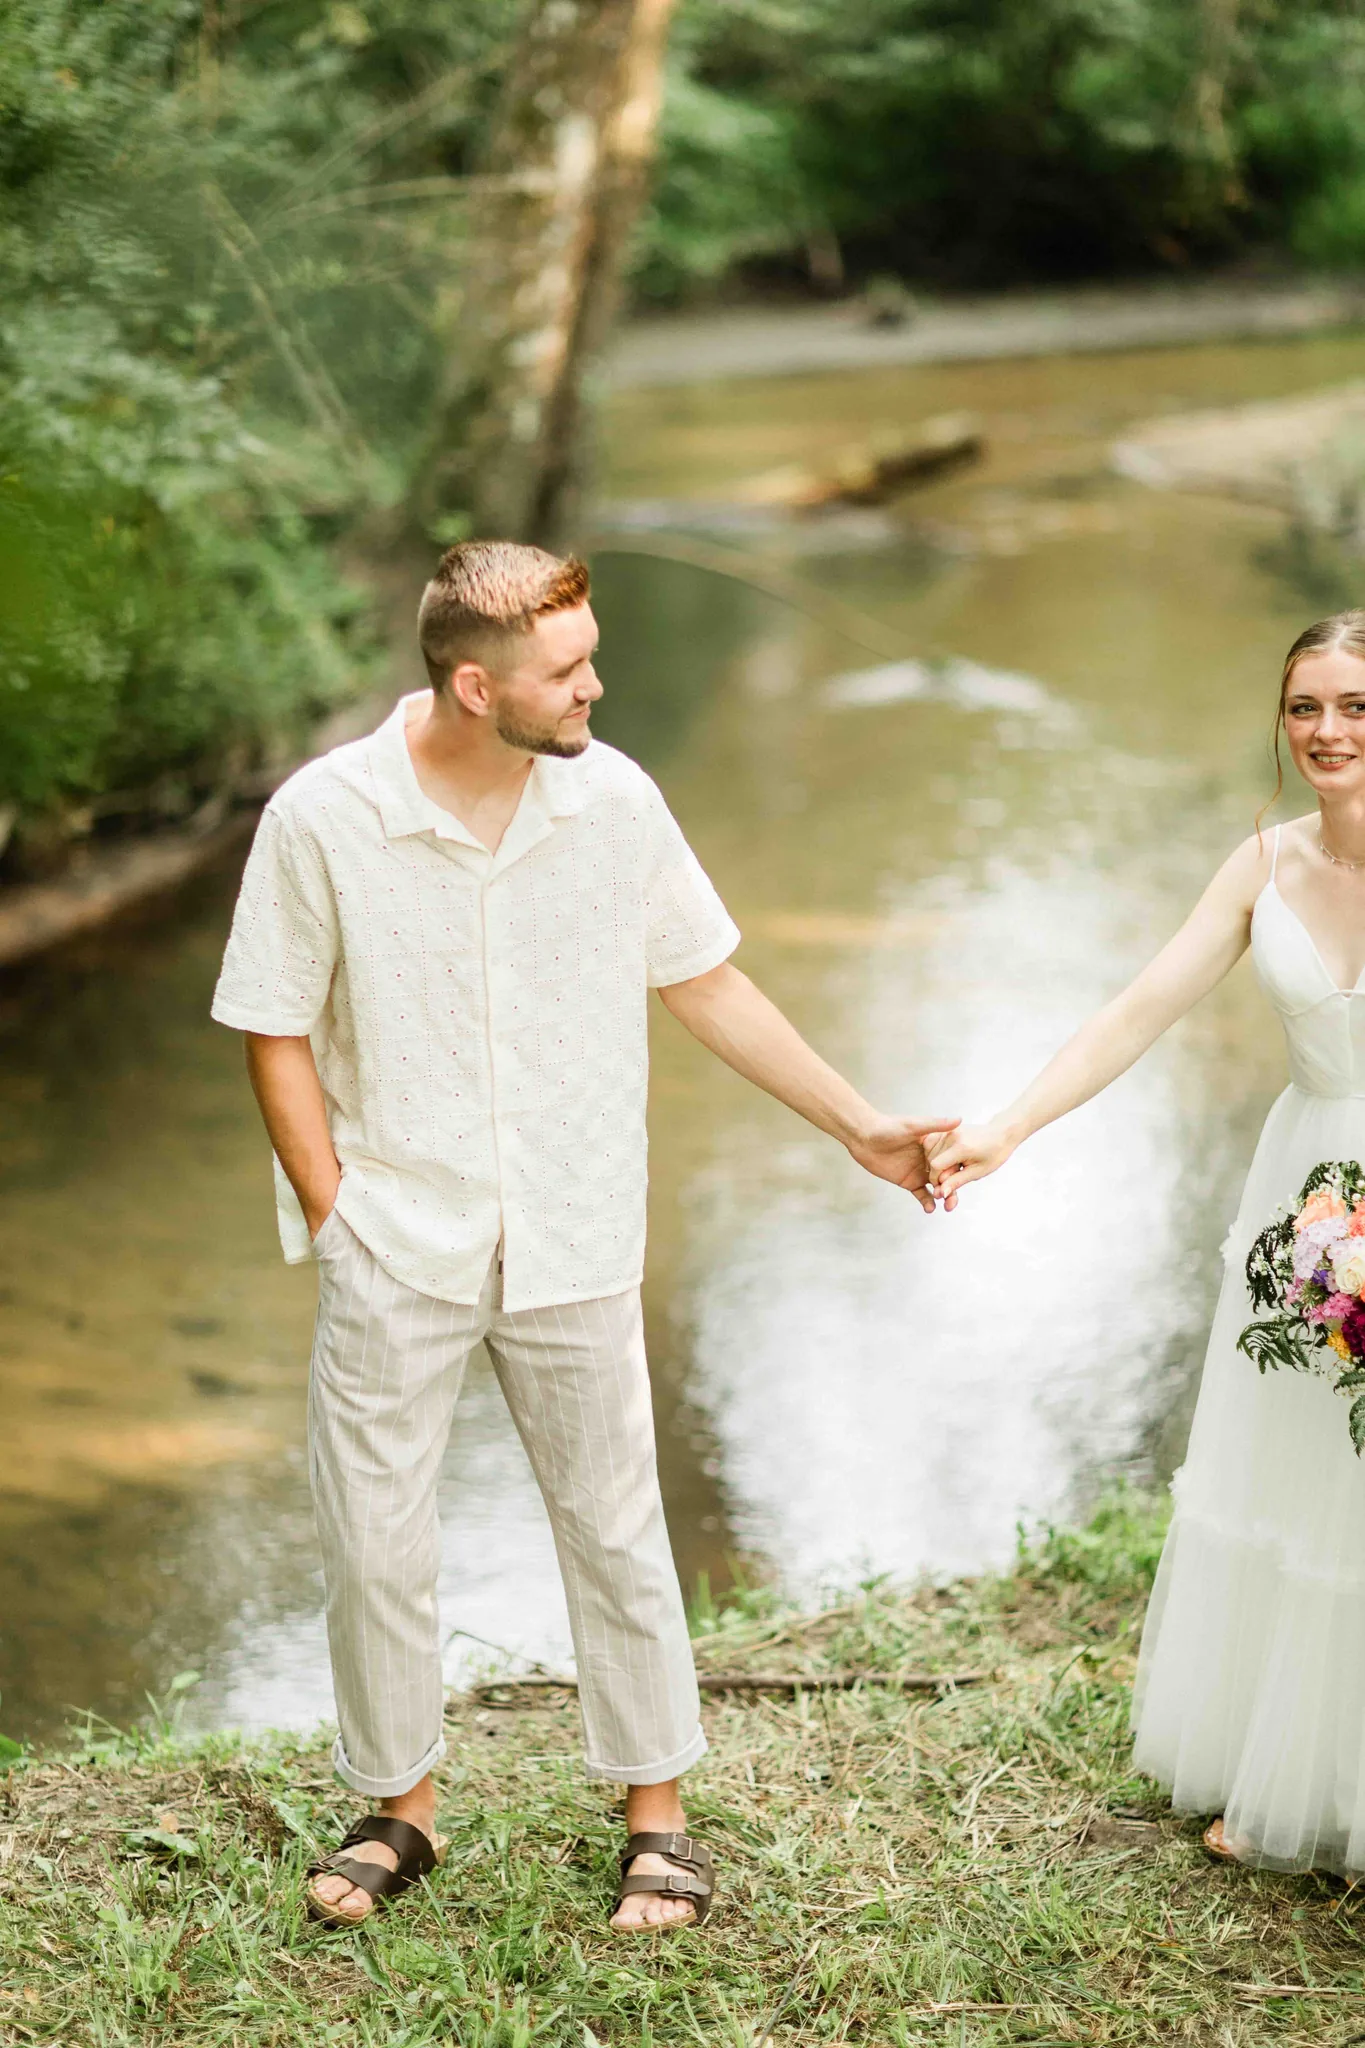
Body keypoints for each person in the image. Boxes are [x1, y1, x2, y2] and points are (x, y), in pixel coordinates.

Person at [211, 540, 955, 1931]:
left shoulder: (613, 803)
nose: (598, 685)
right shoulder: (325, 816)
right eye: (569, 669)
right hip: (398, 1235)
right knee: (374, 1534)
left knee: (614, 1525)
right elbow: (272, 1020)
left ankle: (655, 1816)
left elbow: (708, 983)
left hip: (575, 1224)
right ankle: (398, 1810)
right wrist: (336, 1209)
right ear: (477, 682)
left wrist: (858, 1126)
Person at [927, 609, 1365, 1875]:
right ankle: (1303, 1772)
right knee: (1303, 1473)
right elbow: (1138, 1008)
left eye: (1354, 704)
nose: (1327, 731)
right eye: (1304, 707)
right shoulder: (1263, 865)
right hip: (1308, 1205)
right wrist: (1007, 1125)